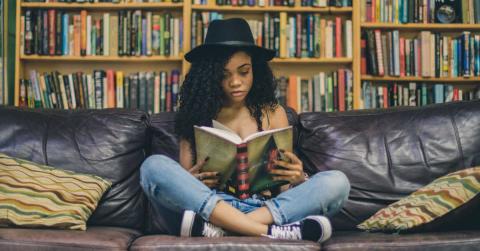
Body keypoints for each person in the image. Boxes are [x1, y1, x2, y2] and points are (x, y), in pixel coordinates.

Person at [140, 18, 350, 243]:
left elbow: (283, 189)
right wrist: (190, 180)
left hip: (265, 207)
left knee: (337, 182)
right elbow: (186, 188)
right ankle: (269, 232)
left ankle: (226, 228)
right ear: (210, 77)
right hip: (211, 205)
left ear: (255, 70)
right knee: (153, 167)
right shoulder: (194, 115)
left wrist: (298, 178)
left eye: (244, 72)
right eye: (224, 74)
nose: (235, 82)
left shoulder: (273, 113)